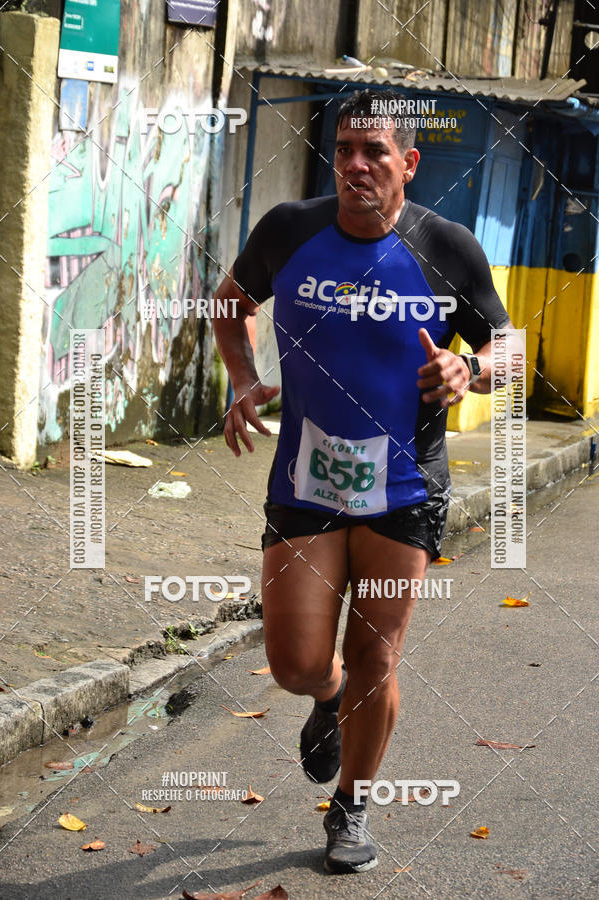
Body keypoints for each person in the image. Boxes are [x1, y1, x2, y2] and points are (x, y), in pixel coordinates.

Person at [212, 88, 515, 875]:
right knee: (297, 664)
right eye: (343, 149)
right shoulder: (289, 231)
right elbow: (229, 303)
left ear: (407, 164)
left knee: (378, 661)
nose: (354, 165)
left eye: (374, 151)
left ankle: (350, 807)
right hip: (304, 485)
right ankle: (327, 697)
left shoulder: (447, 248)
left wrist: (470, 367)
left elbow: (510, 351)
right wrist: (243, 379)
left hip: (405, 490)